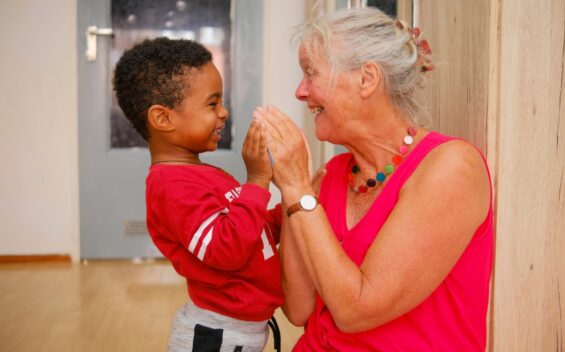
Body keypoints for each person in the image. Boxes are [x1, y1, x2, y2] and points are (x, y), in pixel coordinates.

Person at [254, 7, 494, 351]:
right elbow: (298, 309)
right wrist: (294, 188)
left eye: (311, 73)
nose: (300, 92)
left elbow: (356, 310)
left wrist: (297, 188)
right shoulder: (331, 177)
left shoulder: (451, 167)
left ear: (367, 79)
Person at [113, 37, 283, 352]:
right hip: (217, 337)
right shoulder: (173, 185)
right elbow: (228, 249)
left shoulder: (201, 175)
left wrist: (290, 209)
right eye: (212, 103)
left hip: (237, 331)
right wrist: (257, 180)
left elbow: (251, 235)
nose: (224, 112)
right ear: (163, 118)